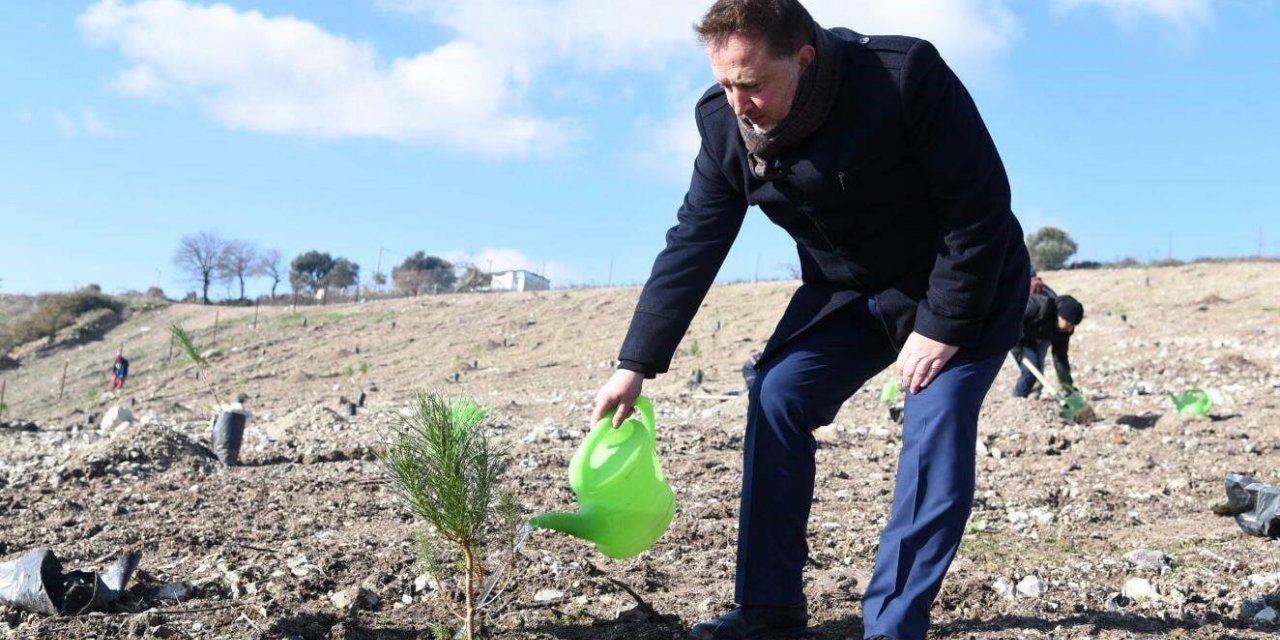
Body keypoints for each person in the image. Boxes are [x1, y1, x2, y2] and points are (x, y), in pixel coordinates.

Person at [590, 2, 1030, 639]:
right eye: (725, 84)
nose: (739, 103)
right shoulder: (726, 127)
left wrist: (941, 326)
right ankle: (767, 608)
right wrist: (635, 363)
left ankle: (892, 626)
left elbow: (978, 211)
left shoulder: (903, 76)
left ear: (803, 58)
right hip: (849, 294)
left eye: (752, 84)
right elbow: (694, 241)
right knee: (778, 392)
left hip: (960, 286)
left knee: (932, 427)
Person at [1012, 293, 1084, 398]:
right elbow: (1013, 318)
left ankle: (1031, 399)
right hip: (1015, 336)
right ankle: (1018, 399)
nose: (1070, 329)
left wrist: (1068, 386)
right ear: (1060, 316)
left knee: (1037, 371)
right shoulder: (1039, 306)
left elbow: (1060, 358)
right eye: (1068, 323)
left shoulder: (1064, 332)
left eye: (1073, 325)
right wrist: (1016, 348)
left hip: (1034, 338)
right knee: (1030, 371)